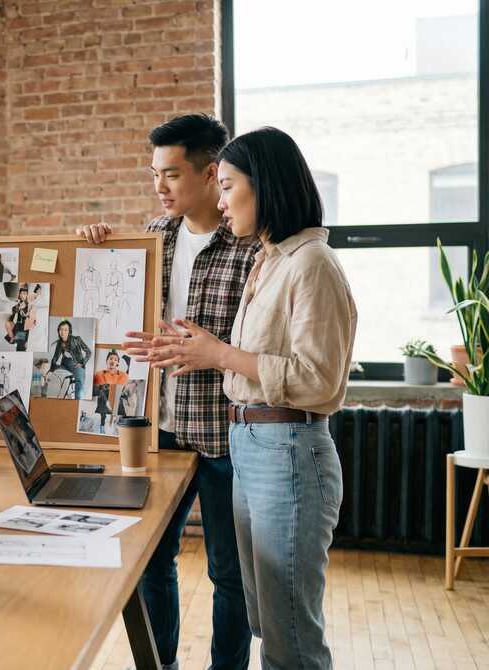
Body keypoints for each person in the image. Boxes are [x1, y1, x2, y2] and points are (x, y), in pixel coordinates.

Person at [130, 126, 356, 669]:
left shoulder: (310, 263)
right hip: (253, 440)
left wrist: (216, 354)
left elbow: (320, 381)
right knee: (270, 620)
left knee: (289, 635)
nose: (224, 200)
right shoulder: (272, 258)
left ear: (264, 185)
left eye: (228, 186)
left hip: (284, 448)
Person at [79, 113, 256, 670]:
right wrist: (100, 244)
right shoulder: (153, 237)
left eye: (172, 174)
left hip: (228, 435)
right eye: (155, 173)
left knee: (230, 572)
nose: (159, 186)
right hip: (161, 428)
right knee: (153, 561)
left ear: (211, 175)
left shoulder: (250, 244)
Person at [50, 319, 91, 399]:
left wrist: (82, 363)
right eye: (61, 329)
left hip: (77, 365)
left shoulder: (77, 339)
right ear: (58, 331)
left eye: (65, 330)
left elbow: (89, 352)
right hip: (65, 365)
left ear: (69, 331)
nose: (63, 332)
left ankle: (77, 402)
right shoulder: (59, 342)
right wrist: (51, 370)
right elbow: (55, 357)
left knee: (79, 387)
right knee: (55, 377)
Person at [5, 284, 31, 351]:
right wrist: (17, 308)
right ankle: (14, 338)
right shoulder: (17, 305)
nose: (22, 295)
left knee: (20, 346)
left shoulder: (29, 305)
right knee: (8, 323)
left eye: (24, 293)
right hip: (18, 326)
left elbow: (28, 317)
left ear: (27, 295)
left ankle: (17, 341)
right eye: (21, 293)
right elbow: (10, 318)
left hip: (25, 328)